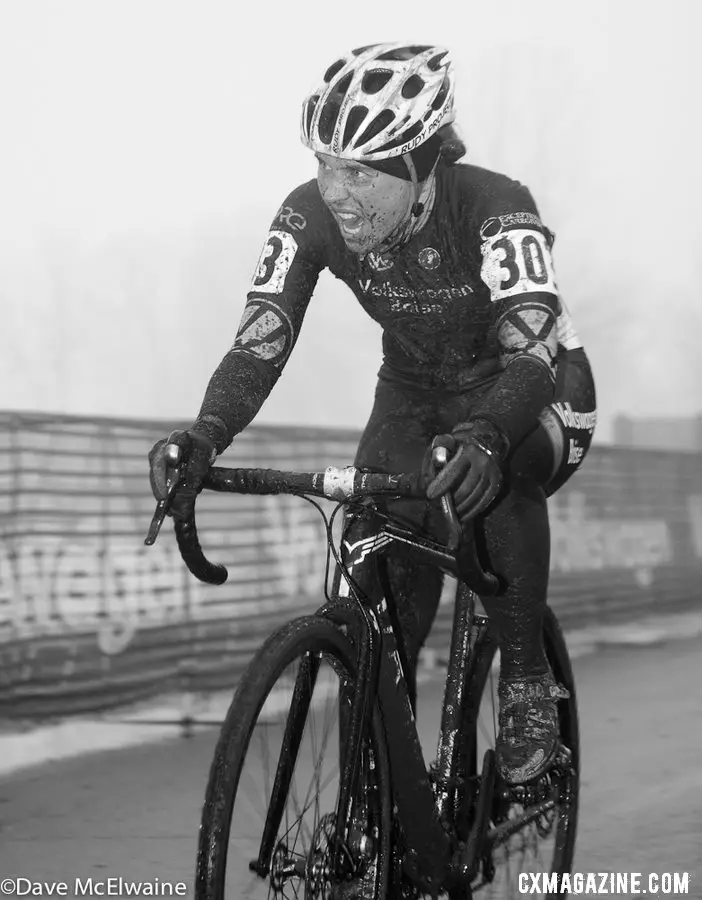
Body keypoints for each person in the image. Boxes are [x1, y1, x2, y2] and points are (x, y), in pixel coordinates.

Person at [148, 42, 596, 786]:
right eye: (325, 162)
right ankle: (387, 807)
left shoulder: (493, 205)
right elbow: (261, 340)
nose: (336, 191)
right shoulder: (307, 215)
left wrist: (486, 432)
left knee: (498, 477)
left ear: (423, 165)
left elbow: (531, 353)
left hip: (535, 387)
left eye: (360, 170)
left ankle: (524, 684)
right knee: (380, 567)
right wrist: (205, 434)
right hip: (414, 394)